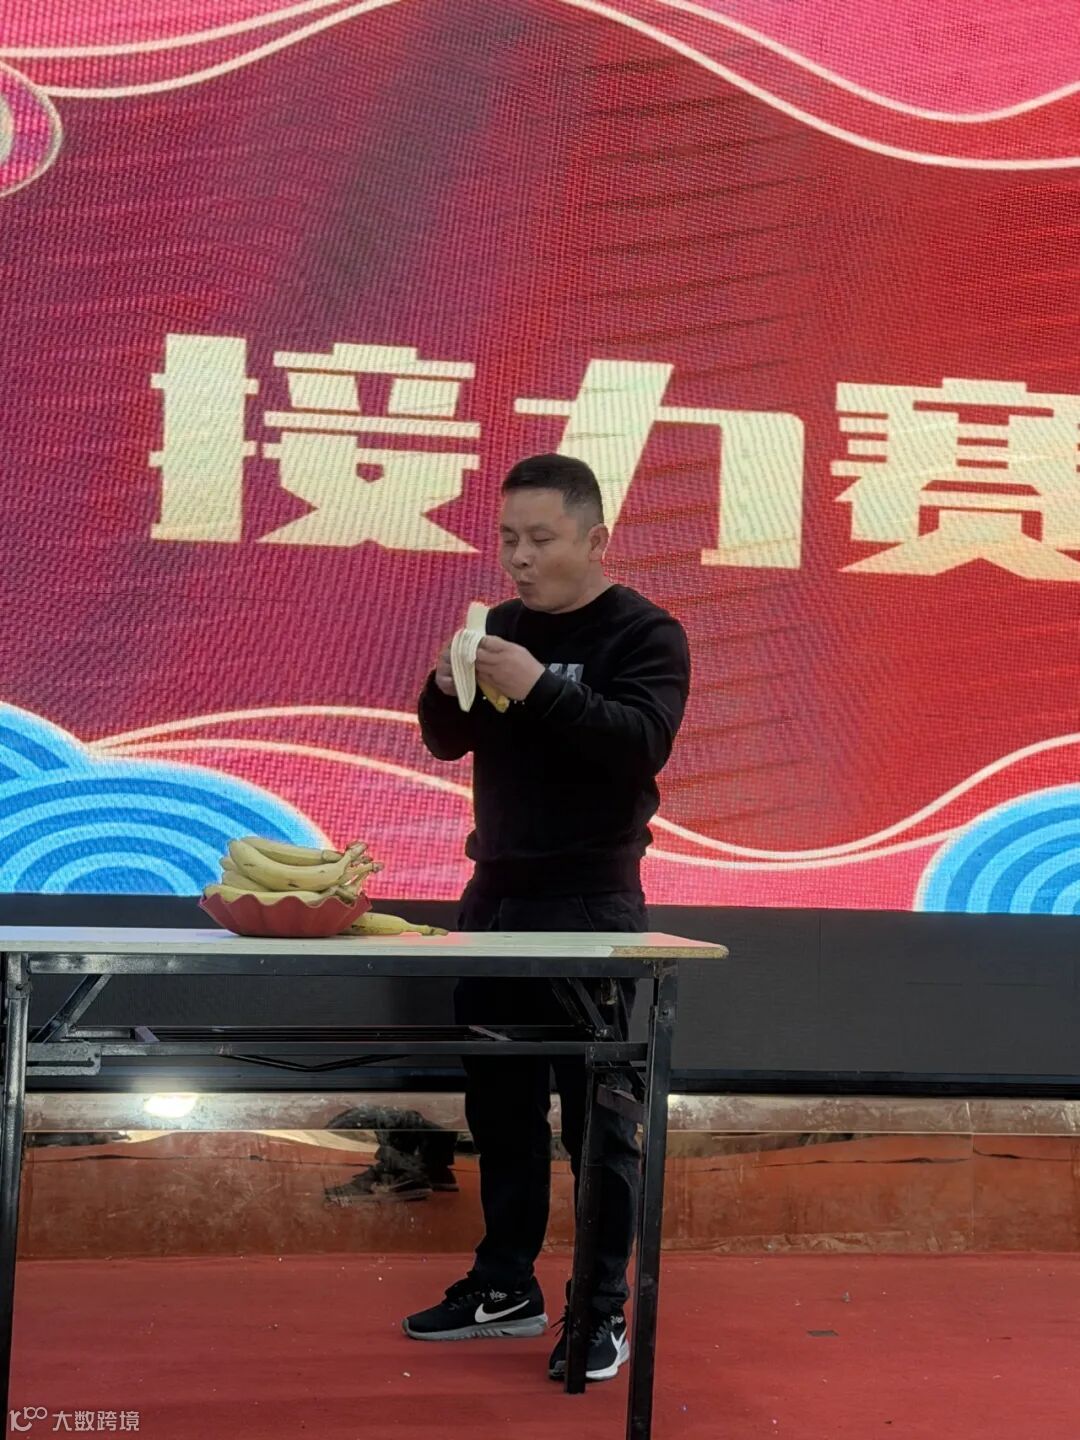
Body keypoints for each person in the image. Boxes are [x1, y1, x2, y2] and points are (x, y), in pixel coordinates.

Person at [403, 453, 691, 1385]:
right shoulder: (499, 626)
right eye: (507, 540)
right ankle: (505, 1284)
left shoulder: (645, 632)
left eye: (540, 539)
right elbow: (448, 740)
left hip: (592, 906)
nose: (519, 559)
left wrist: (540, 685)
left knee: (598, 1122)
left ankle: (599, 1309)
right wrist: (443, 684)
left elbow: (639, 745)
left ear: (596, 538)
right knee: (501, 1110)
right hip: (495, 900)